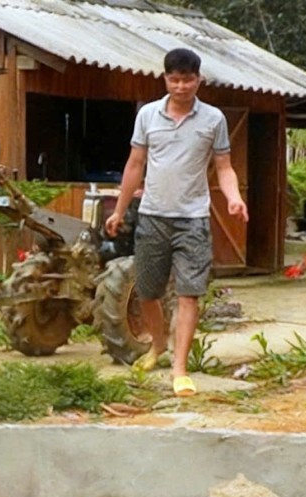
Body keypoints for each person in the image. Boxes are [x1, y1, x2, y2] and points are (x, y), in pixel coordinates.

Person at [104, 47, 248, 397]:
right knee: (149, 291)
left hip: (193, 219)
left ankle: (180, 370)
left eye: (187, 79)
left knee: (189, 294)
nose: (181, 86)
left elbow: (224, 166)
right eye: (174, 79)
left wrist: (233, 197)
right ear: (165, 79)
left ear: (199, 80)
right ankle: (158, 346)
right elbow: (135, 164)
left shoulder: (213, 119)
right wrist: (120, 210)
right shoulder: (148, 116)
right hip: (152, 215)